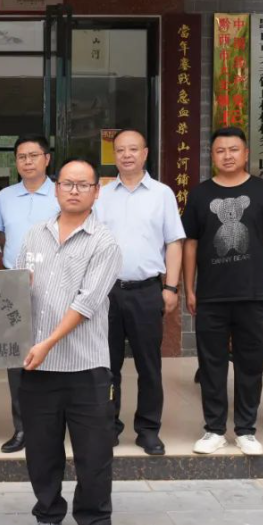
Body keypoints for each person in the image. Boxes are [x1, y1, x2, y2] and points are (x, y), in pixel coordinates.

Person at [15, 157, 122, 525]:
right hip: (37, 365)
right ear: (56, 187)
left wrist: (47, 342)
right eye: (67, 183)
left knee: (93, 451)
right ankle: (47, 515)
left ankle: (95, 522)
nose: (74, 191)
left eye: (83, 185)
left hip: (85, 365)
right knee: (41, 449)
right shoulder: (34, 235)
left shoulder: (104, 242)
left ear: (96, 191)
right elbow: (17, 289)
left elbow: (86, 304)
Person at [182, 126, 263, 456]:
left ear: (246, 153)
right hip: (211, 295)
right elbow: (190, 243)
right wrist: (189, 289)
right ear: (212, 155)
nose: (227, 155)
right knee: (211, 365)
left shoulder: (262, 191)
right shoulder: (200, 195)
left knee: (249, 364)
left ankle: (245, 430)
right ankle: (214, 429)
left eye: (233, 149)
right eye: (220, 150)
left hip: (252, 294)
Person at [93, 129, 184, 456]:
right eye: (120, 150)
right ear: (114, 155)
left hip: (147, 291)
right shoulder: (101, 194)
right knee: (106, 365)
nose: (127, 155)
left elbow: (174, 242)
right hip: (107, 292)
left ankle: (148, 429)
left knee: (149, 365)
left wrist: (171, 287)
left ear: (145, 153)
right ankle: (109, 426)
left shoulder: (162, 194)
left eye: (133, 149)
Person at [0, 134, 60, 454]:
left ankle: (53, 426)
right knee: (17, 359)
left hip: (57, 282)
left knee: (56, 354)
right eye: (22, 156)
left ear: (47, 159)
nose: (28, 161)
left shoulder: (62, 192)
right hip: (15, 284)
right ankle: (22, 427)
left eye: (34, 155)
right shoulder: (4, 197)